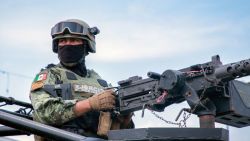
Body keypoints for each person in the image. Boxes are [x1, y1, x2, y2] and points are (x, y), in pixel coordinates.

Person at [29, 19, 134, 140]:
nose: (67, 44)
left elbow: (119, 132)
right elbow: (44, 112)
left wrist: (125, 119)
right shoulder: (49, 76)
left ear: (86, 45)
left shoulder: (101, 83)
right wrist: (90, 104)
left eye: (73, 40)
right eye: (62, 41)